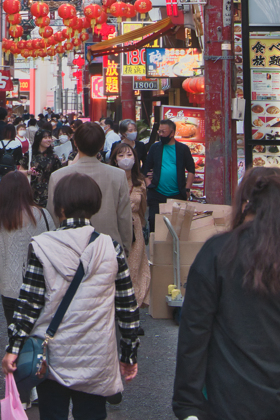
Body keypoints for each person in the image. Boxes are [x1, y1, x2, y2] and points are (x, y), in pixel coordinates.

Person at [2, 172, 140, 420]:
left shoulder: (43, 245)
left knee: (52, 413)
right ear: (94, 207)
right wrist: (128, 354)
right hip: (96, 356)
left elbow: (28, 305)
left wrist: (13, 348)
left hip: (52, 356)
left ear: (60, 207)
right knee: (92, 414)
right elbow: (127, 308)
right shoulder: (111, 248)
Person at [173, 167, 280, 420]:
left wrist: (188, 404)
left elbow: (195, 330)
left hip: (229, 398)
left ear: (244, 203)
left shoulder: (219, 251)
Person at [0, 170, 53, 327]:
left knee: (14, 337)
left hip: (10, 287)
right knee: (39, 336)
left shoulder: (0, 218)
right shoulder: (43, 215)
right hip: (41, 287)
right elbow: (54, 249)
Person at [47, 122, 133, 254]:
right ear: (101, 145)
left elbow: (53, 216)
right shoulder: (118, 175)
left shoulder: (58, 176)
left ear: (75, 143)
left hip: (69, 249)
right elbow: (124, 216)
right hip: (109, 248)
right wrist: (125, 246)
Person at [108, 142, 150, 309]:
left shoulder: (140, 182)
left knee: (134, 267)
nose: (126, 159)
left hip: (135, 227)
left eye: (129, 155)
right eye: (121, 155)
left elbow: (143, 209)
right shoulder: (110, 180)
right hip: (115, 226)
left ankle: (133, 307)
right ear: (114, 159)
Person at [144, 117, 196, 231]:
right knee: (154, 221)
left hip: (177, 193)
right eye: (159, 131)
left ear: (172, 133)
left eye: (164, 132)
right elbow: (145, 169)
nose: (161, 134)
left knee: (176, 226)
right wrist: (149, 184)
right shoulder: (155, 148)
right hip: (157, 193)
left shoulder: (183, 149)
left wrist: (187, 189)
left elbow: (191, 169)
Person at [28, 128, 65, 208]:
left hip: (49, 193)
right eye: (45, 137)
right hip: (31, 192)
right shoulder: (30, 155)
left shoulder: (54, 157)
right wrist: (29, 172)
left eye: (49, 137)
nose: (48, 140)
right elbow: (21, 171)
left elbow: (59, 175)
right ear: (39, 139)